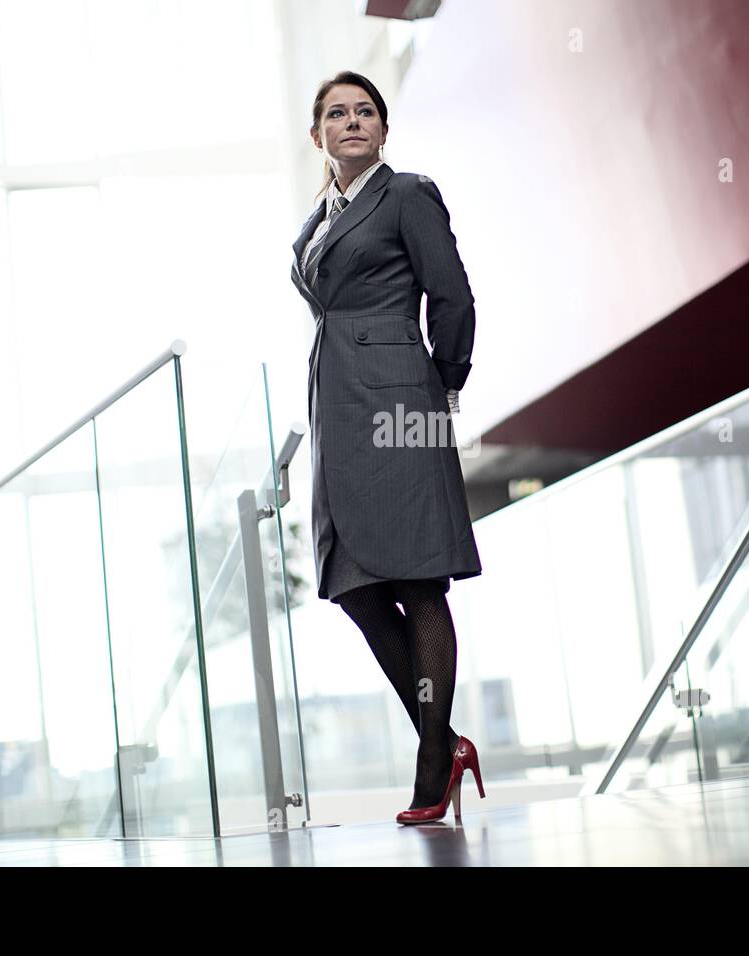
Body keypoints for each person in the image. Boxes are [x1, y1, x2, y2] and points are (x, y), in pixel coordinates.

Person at [290, 70, 486, 824]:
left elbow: (454, 294)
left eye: (365, 111)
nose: (351, 122)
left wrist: (441, 387)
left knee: (417, 580)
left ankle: (433, 758)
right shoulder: (317, 219)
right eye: (336, 114)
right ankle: (445, 739)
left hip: (402, 403)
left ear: (382, 127)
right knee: (357, 585)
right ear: (317, 136)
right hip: (336, 411)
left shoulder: (405, 194)